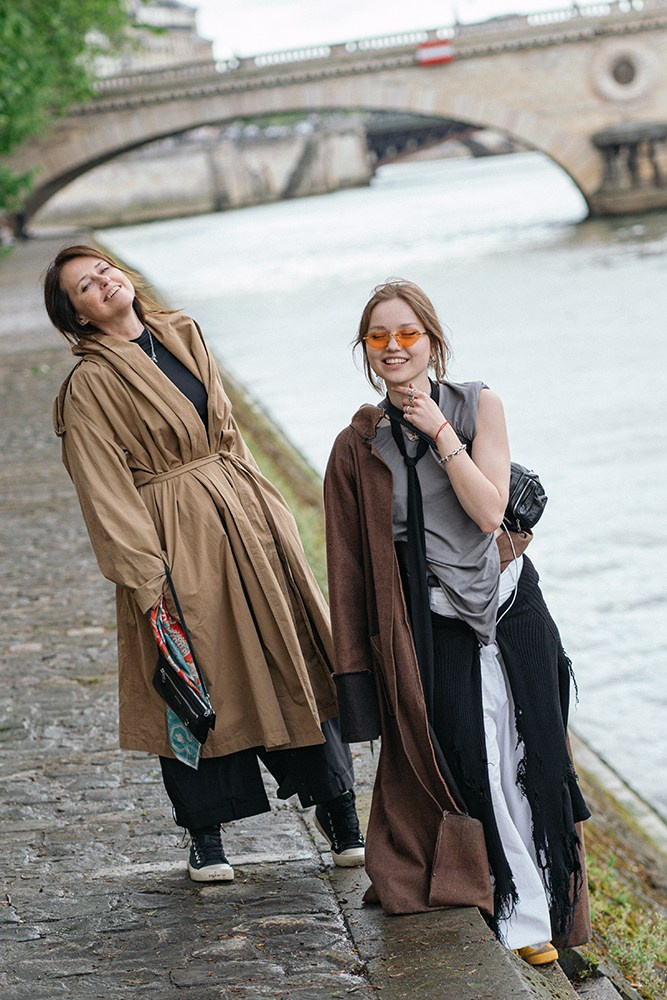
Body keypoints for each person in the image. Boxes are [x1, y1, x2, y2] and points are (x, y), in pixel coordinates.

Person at [44, 244, 365, 882]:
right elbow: (104, 489)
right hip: (173, 539)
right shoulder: (89, 386)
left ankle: (340, 814)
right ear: (77, 316)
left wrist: (269, 510)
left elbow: (230, 431)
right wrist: (145, 579)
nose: (103, 282)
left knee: (293, 657)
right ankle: (205, 836)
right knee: (191, 678)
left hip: (247, 523)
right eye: (85, 286)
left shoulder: (184, 332)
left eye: (105, 269)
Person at [323, 279, 590, 964]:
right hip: (434, 626)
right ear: (364, 350)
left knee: (537, 760)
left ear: (431, 341)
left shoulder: (478, 406)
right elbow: (349, 569)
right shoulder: (358, 447)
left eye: (406, 333)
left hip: (509, 606)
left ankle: (555, 916)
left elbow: (486, 510)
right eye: (377, 336)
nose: (392, 347)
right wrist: (357, 680)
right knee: (478, 765)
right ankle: (514, 911)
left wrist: (439, 431)